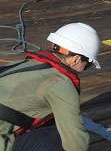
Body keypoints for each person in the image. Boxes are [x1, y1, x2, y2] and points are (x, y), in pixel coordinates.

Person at [0, 22, 101, 151]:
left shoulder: (30, 64)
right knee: (58, 136)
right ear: (75, 59)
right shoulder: (61, 84)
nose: (86, 68)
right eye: (88, 64)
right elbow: (75, 144)